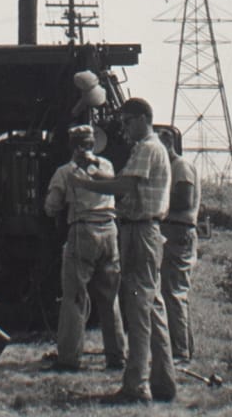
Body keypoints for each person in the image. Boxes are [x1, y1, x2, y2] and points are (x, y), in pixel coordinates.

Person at [75, 97, 176, 404]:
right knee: (152, 307)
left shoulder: (147, 148)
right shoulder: (148, 148)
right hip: (143, 229)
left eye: (128, 121)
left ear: (144, 118)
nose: (124, 128)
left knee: (138, 309)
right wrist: (94, 172)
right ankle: (163, 383)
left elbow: (123, 187)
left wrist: (85, 184)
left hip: (140, 231)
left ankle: (137, 386)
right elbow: (121, 182)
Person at [43, 124, 127, 372]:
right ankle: (116, 356)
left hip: (83, 231)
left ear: (72, 145)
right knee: (110, 298)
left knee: (75, 297)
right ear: (93, 144)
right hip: (110, 231)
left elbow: (51, 206)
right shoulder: (107, 166)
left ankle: (68, 359)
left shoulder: (65, 172)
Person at [157, 128, 201, 363]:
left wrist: (154, 198)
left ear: (168, 144)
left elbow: (184, 200)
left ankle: (181, 352)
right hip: (171, 231)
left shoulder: (181, 167)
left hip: (178, 231)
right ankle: (182, 348)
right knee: (171, 293)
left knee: (174, 293)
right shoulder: (172, 168)